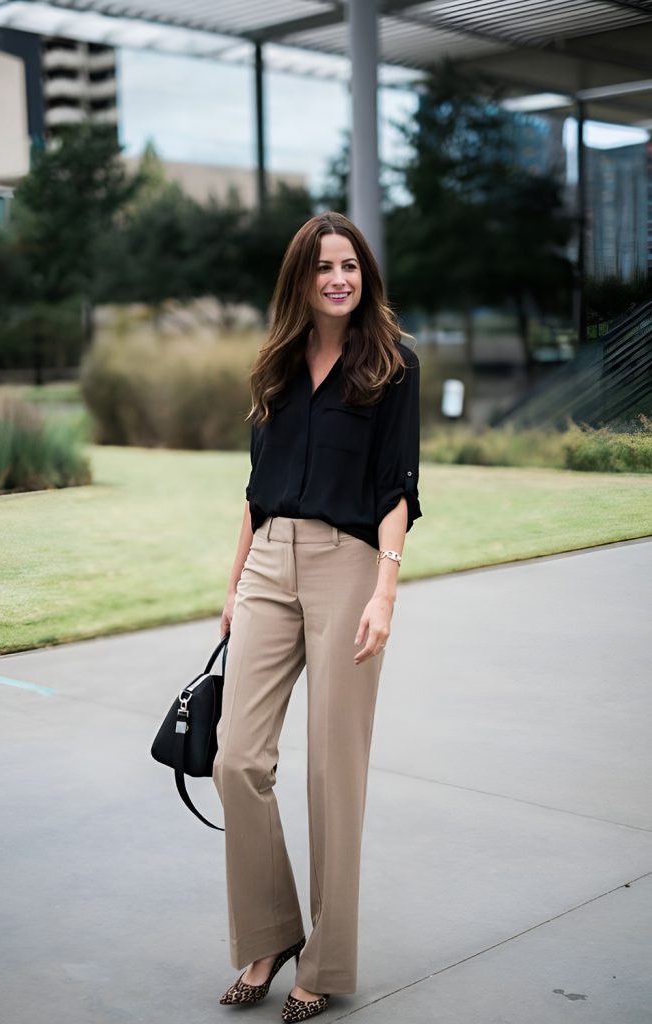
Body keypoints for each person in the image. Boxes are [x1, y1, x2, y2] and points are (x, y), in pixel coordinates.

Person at [212, 211, 421, 1022]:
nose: (339, 277)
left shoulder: (392, 366)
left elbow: (397, 488)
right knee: (237, 758)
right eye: (323, 265)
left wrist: (384, 590)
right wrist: (234, 587)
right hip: (269, 559)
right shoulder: (274, 365)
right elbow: (253, 487)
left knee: (333, 772)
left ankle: (324, 964)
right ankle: (270, 934)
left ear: (363, 274)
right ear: (300, 278)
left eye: (350, 264)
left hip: (348, 563)